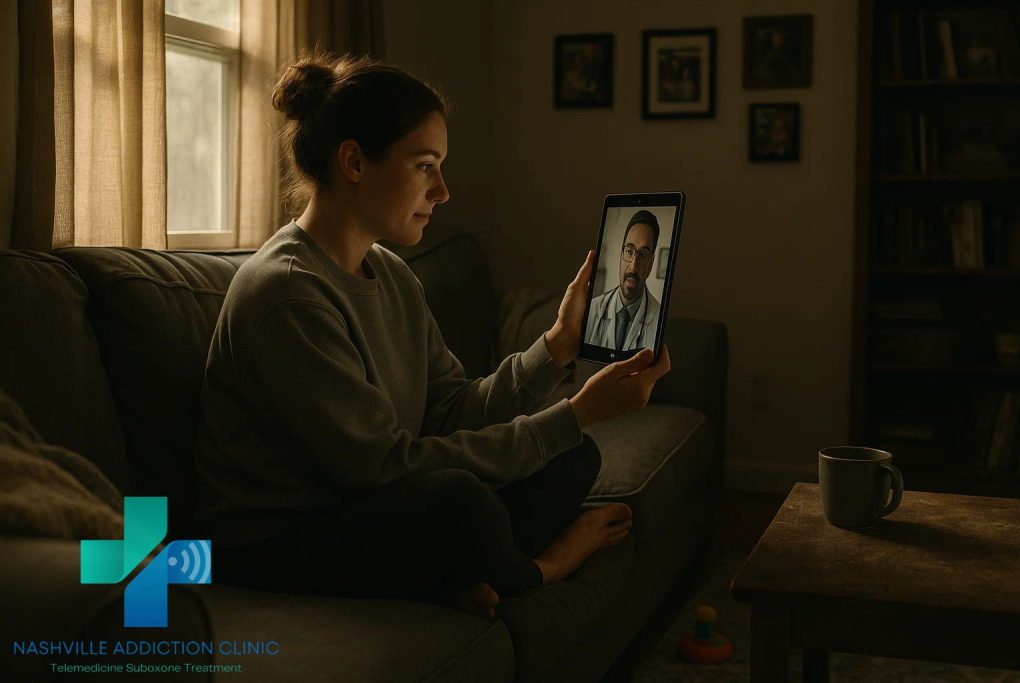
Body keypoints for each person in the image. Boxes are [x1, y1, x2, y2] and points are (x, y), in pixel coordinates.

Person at [193, 51, 671, 620]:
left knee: (571, 457)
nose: (443, 191)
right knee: (460, 500)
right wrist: (576, 412)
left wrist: (557, 346)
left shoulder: (392, 273)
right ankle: (539, 569)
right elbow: (384, 468)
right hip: (280, 538)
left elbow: (449, 409)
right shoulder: (289, 293)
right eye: (425, 166)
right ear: (354, 162)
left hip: (369, 507)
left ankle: (458, 573)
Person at [584, 210, 663, 352]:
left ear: (651, 263)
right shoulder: (592, 310)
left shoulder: (659, 320)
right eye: (629, 251)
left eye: (643, 254)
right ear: (621, 255)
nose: (633, 266)